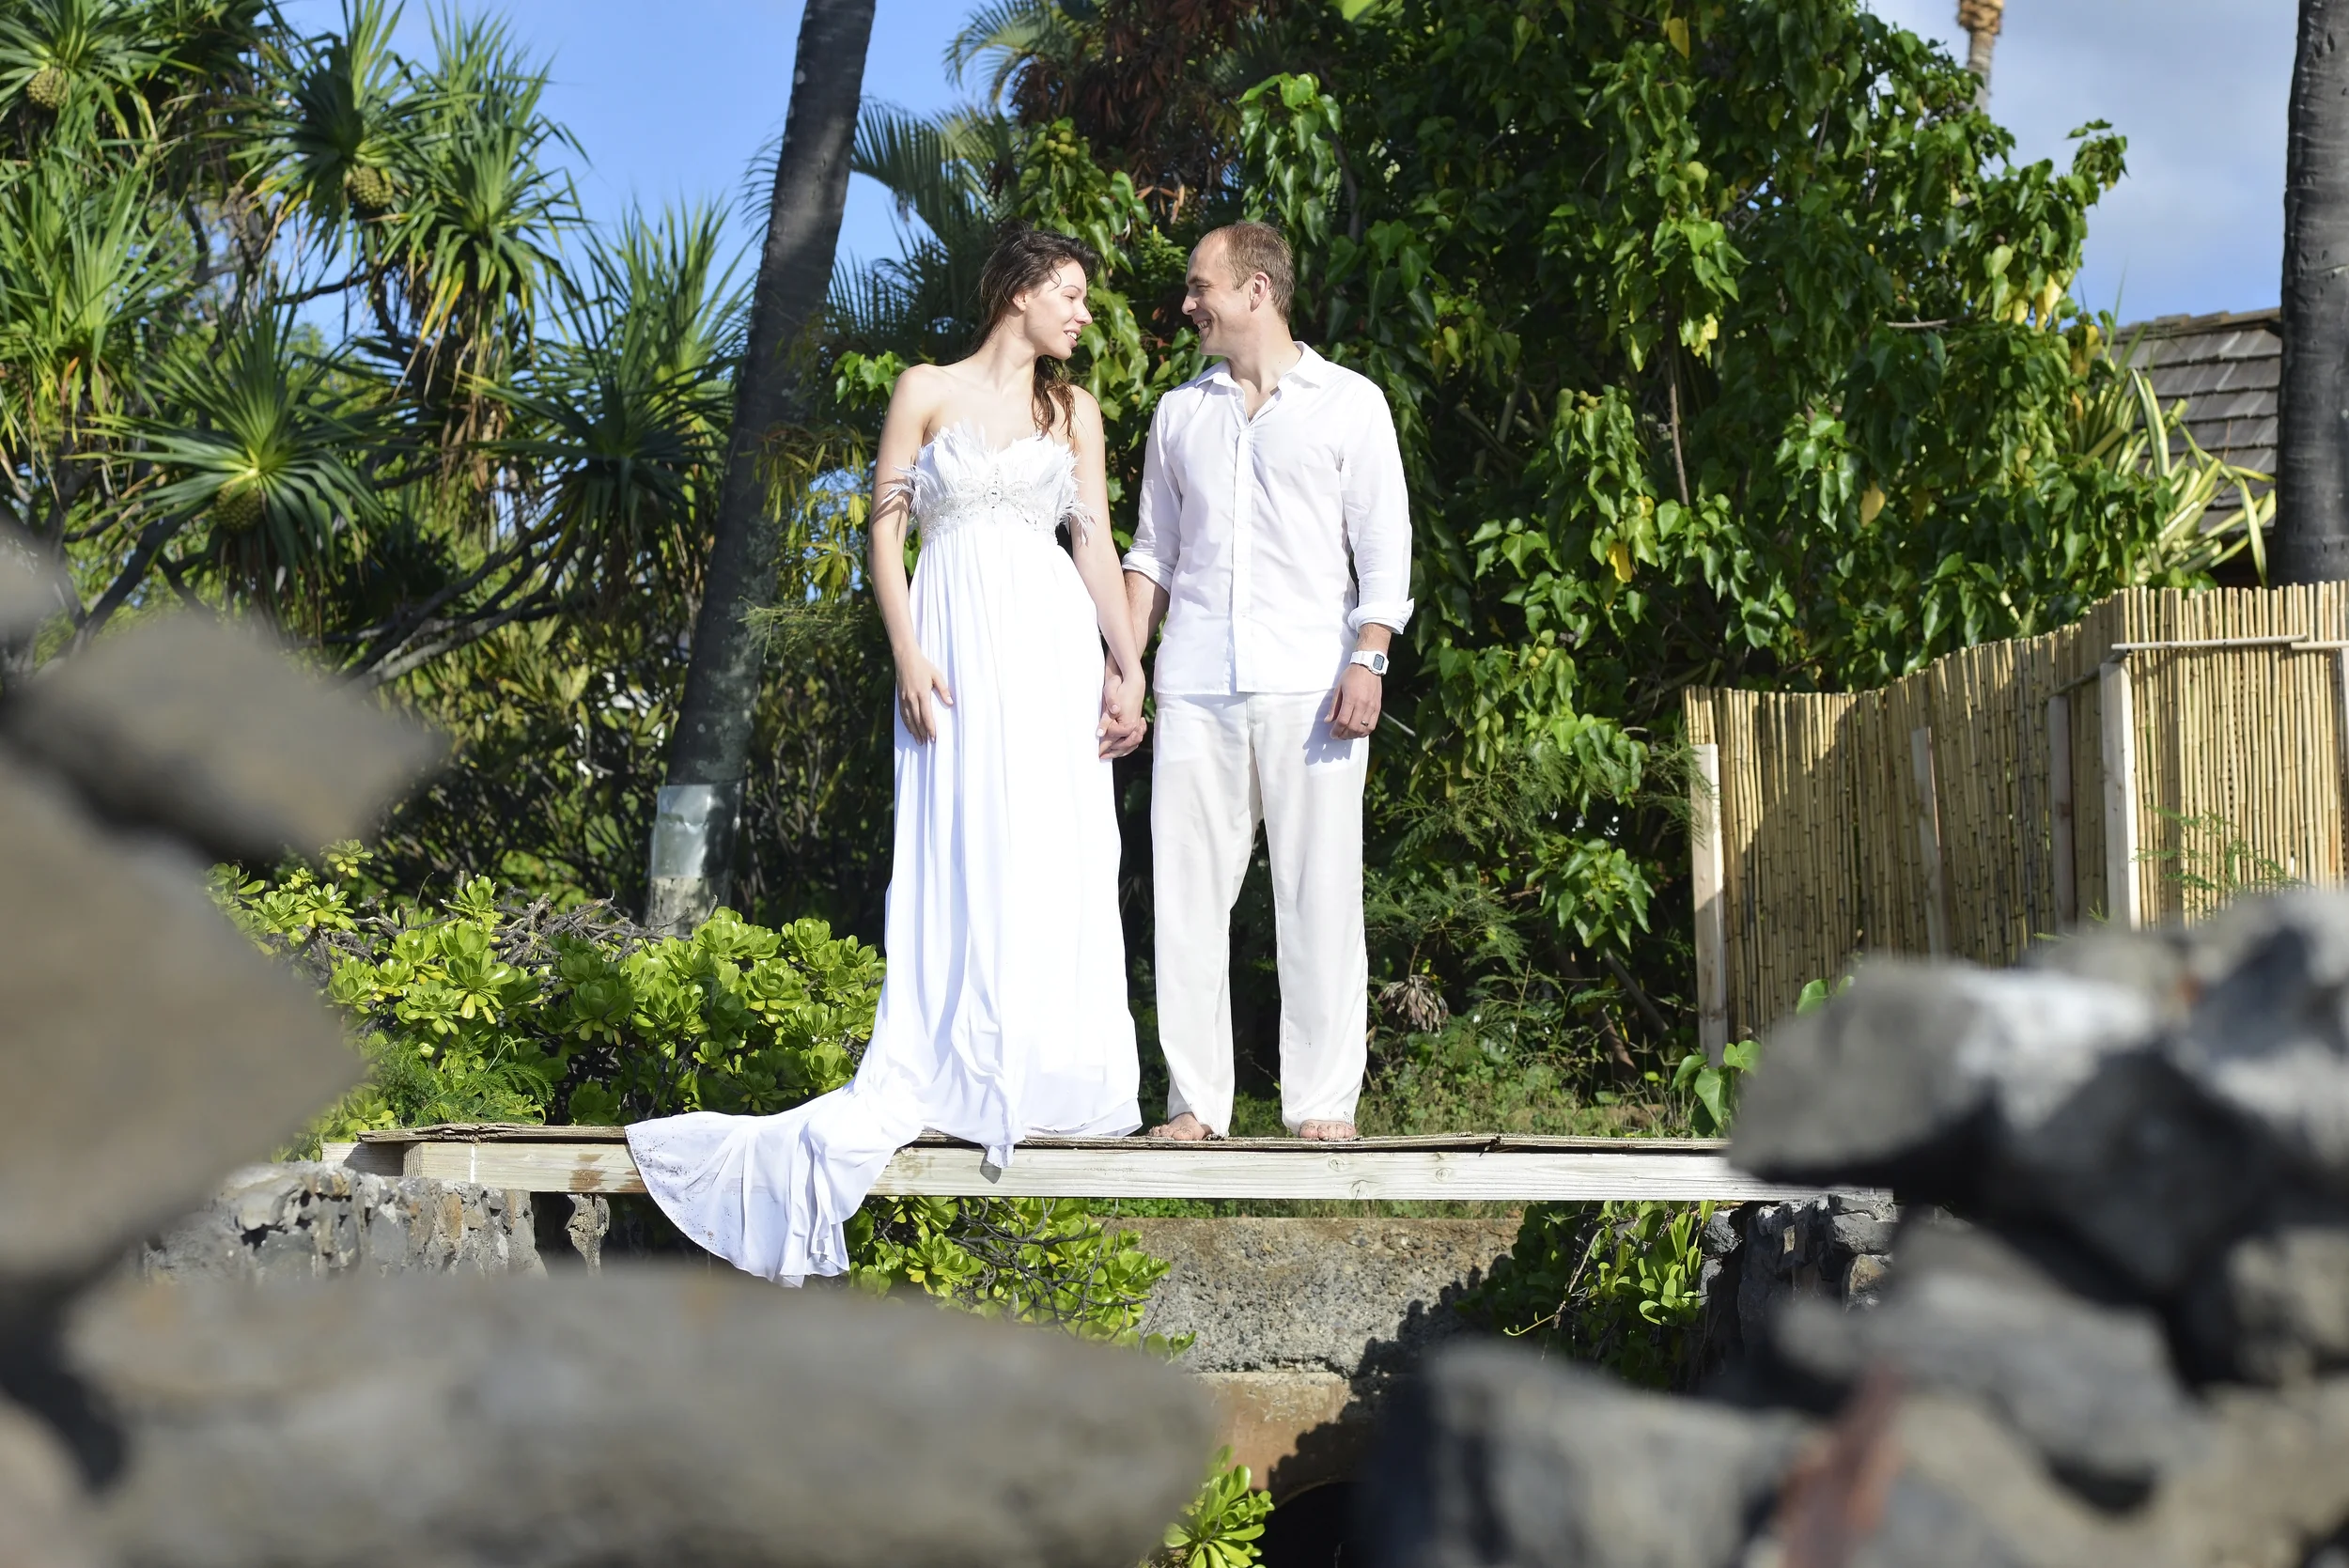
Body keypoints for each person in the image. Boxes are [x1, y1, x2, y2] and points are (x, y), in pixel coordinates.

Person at [627, 229, 1150, 1283]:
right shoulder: (925, 387)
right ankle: (960, 1067)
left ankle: (1057, 1075)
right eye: (1071, 294)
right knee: (968, 844)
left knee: (1057, 849)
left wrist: (1127, 662)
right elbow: (883, 533)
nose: (1084, 315)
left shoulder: (1074, 412)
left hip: (1050, 645)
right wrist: (908, 650)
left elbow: (1091, 538)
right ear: (1017, 291)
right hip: (954, 639)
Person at [1123, 222, 1413, 1143]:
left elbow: (1384, 548)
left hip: (1313, 688)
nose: (1187, 303)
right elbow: (1152, 555)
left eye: (1200, 286)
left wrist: (1368, 656)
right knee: (1187, 898)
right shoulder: (1179, 414)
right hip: (1196, 681)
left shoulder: (1350, 404)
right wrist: (1125, 670)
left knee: (1319, 893)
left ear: (1257, 291)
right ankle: (1195, 1104)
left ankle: (1321, 1102)